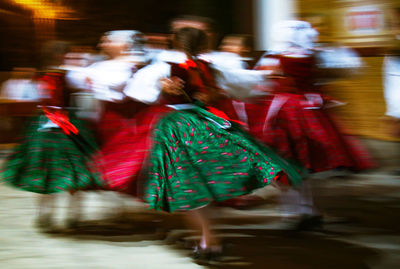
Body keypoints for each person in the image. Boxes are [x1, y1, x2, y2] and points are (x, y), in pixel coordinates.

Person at [115, 27, 303, 260]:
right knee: (211, 177)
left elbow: (138, 93)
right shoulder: (210, 68)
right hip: (207, 123)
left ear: (175, 43)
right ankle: (208, 240)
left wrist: (161, 86)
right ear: (203, 45)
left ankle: (208, 240)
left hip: (176, 127)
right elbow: (241, 88)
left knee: (186, 185)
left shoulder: (163, 67)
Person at [246, 20, 375, 229]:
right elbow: (338, 70)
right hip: (310, 109)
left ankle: (294, 213)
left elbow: (261, 82)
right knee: (304, 164)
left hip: (285, 111)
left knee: (285, 163)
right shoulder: (313, 54)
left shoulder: (277, 56)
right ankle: (308, 210)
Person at [0, 41, 102, 230]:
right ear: (61, 56)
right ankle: (72, 215)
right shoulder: (62, 75)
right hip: (63, 125)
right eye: (68, 55)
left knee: (47, 173)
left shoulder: (43, 74)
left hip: (46, 125)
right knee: (73, 173)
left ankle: (47, 214)